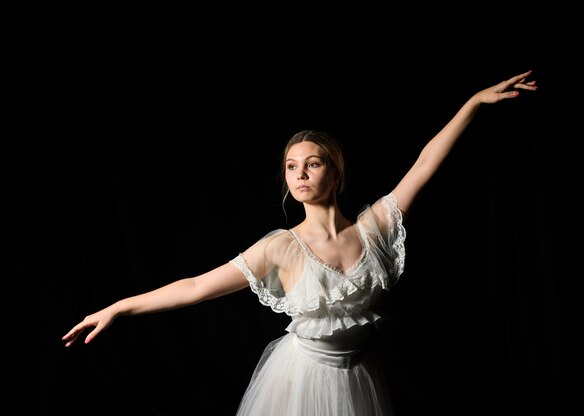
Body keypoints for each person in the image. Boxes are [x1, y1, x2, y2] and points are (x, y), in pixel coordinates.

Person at [62, 70, 538, 415]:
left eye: (312, 163)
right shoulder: (280, 248)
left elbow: (424, 164)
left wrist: (473, 103)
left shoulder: (373, 228)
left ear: (336, 171)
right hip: (299, 381)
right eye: (292, 166)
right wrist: (120, 307)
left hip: (358, 379)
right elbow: (193, 287)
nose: (300, 174)